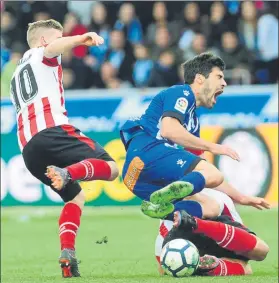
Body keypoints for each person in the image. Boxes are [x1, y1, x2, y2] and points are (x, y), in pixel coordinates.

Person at [9, 19, 119, 278]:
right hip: (52, 130)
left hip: (28, 148)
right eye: (58, 39)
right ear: (45, 40)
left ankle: (67, 256)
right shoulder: (41, 53)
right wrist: (82, 38)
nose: (61, 45)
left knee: (75, 198)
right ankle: (69, 173)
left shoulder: (17, 71)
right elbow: (51, 48)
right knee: (112, 169)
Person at [120, 52, 242, 218]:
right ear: (199, 79)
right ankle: (169, 198)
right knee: (214, 174)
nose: (224, 83)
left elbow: (202, 173)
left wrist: (241, 197)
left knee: (210, 207)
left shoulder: (192, 122)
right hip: (148, 150)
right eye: (219, 76)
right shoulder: (182, 93)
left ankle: (166, 209)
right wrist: (215, 147)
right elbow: (168, 130)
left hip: (135, 178)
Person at [155, 190, 270, 276]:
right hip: (179, 236)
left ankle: (195, 224)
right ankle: (208, 266)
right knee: (254, 258)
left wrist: (241, 198)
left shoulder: (218, 198)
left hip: (214, 224)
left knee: (260, 252)